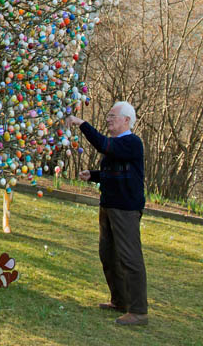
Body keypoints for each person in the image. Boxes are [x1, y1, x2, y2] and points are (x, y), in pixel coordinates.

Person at [66, 102, 148, 326]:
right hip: (108, 206)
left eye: (113, 116)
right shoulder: (119, 145)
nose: (109, 119)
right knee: (108, 255)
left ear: (127, 120)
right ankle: (119, 301)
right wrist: (93, 175)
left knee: (130, 258)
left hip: (126, 209)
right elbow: (114, 170)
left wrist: (82, 124)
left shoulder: (132, 142)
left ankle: (139, 311)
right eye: (109, 115)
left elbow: (103, 145)